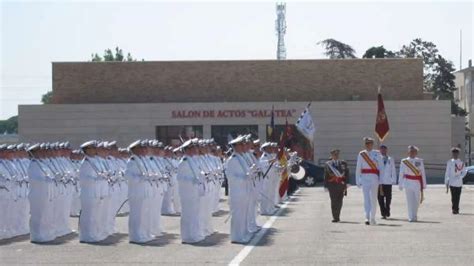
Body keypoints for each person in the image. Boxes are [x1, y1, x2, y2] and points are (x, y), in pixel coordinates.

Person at [79, 140, 111, 243]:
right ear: (86, 150)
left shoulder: (96, 161)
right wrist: (97, 179)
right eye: (92, 148)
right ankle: (86, 236)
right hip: (88, 193)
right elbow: (84, 179)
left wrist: (103, 176)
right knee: (88, 216)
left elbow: (101, 173)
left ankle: (94, 234)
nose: (95, 150)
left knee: (96, 215)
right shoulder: (86, 163)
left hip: (97, 192)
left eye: (95, 148)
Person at [225, 135, 253, 244]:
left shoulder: (241, 157)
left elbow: (246, 172)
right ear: (235, 146)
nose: (244, 146)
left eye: (243, 144)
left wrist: (250, 173)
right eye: (241, 144)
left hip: (244, 189)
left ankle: (243, 234)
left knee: (244, 214)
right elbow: (231, 176)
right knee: (238, 215)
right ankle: (236, 236)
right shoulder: (232, 160)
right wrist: (243, 177)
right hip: (237, 191)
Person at [176, 139, 205, 244]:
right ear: (187, 149)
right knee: (188, 214)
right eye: (193, 148)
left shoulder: (192, 160)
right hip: (187, 193)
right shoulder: (184, 162)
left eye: (196, 147)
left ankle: (194, 234)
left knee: (194, 214)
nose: (196, 149)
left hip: (194, 191)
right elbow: (180, 178)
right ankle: (187, 236)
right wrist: (191, 180)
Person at [355, 137, 384, 225]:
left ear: (372, 144)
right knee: (366, 198)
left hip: (374, 178)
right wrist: (358, 180)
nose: (368, 145)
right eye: (367, 144)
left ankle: (373, 217)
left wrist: (381, 181)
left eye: (370, 143)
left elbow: (381, 168)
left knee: (374, 198)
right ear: (365, 145)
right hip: (364, 178)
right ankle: (367, 217)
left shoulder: (377, 153)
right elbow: (358, 168)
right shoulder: (361, 154)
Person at [399, 145, 427, 222]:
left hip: (417, 182)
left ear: (416, 152)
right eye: (411, 151)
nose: (412, 153)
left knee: (417, 200)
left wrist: (424, 184)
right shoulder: (404, 161)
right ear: (408, 152)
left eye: (414, 151)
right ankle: (411, 216)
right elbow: (401, 173)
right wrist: (400, 184)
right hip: (408, 182)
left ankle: (415, 214)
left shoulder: (419, 161)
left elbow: (422, 173)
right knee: (409, 200)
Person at [324, 149, 349, 223]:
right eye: (334, 155)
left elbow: (347, 173)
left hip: (341, 185)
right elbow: (325, 175)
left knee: (340, 201)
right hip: (332, 185)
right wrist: (325, 185)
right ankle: (335, 217)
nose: (336, 156)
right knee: (333, 201)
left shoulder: (343, 163)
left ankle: (338, 215)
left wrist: (347, 183)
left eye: (337, 155)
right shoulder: (328, 164)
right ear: (331, 155)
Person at [444, 147, 467, 214]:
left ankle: (456, 209)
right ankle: (454, 209)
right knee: (453, 196)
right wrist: (446, 181)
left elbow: (464, 171)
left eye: (456, 153)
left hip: (459, 182)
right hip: (452, 182)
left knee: (458, 196)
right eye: (454, 153)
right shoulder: (449, 162)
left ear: (458, 154)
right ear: (452, 154)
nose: (455, 154)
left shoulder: (461, 162)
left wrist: (461, 177)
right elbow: (447, 172)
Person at [377, 145, 397, 219]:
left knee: (388, 198)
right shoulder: (377, 158)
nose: (383, 151)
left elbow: (393, 170)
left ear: (386, 150)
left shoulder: (390, 159)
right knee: (380, 198)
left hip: (388, 181)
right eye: (381, 149)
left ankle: (387, 209)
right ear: (379, 150)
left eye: (384, 149)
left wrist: (394, 180)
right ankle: (383, 213)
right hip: (380, 182)